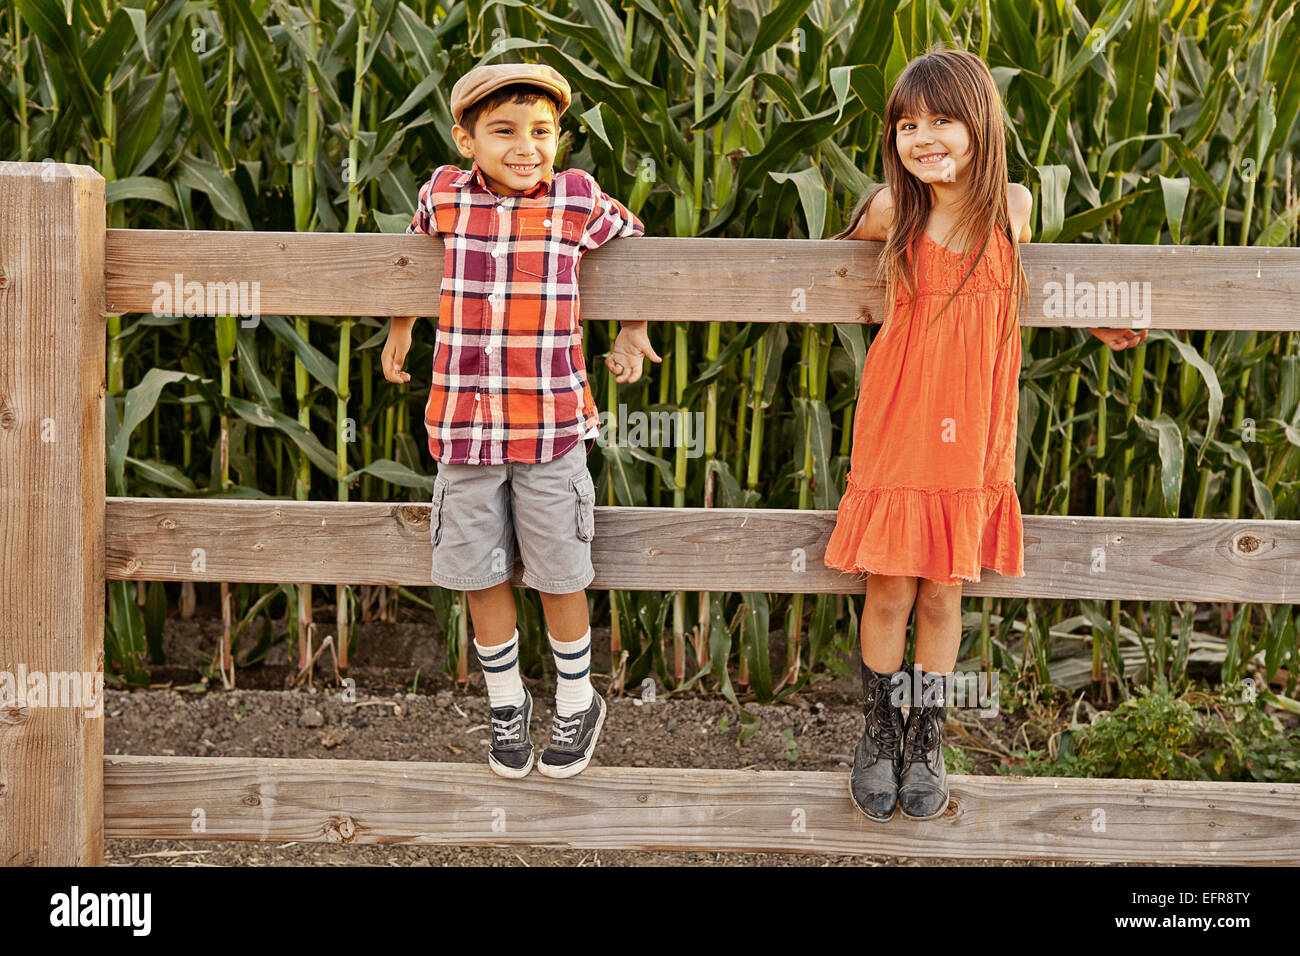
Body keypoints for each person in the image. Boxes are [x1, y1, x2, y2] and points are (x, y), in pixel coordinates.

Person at [824, 47, 1146, 822]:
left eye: (942, 120)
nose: (922, 136)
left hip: (972, 428)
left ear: (982, 126)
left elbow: (1038, 274)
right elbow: (819, 275)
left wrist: (1098, 317)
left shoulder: (1014, 205)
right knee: (890, 584)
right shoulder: (888, 211)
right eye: (907, 123)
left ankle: (927, 735)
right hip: (901, 420)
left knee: (943, 589)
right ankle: (878, 731)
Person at [381, 63, 661, 780]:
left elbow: (635, 250)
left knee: (560, 568)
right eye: (503, 131)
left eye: (541, 131)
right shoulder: (444, 193)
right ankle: (506, 701)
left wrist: (633, 329)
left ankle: (576, 697)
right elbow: (408, 257)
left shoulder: (575, 198)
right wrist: (400, 329)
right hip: (465, 428)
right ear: (465, 139)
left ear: (559, 138)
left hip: (551, 426)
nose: (525, 146)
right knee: (479, 571)